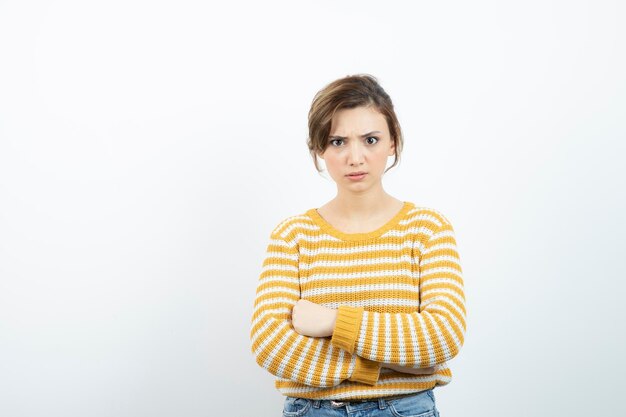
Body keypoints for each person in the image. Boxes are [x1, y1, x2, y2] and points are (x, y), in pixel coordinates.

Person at [250, 74, 466, 417]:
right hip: (313, 410)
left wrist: (332, 323)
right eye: (338, 142)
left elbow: (441, 338)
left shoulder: (427, 229)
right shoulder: (293, 235)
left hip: (406, 409)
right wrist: (381, 367)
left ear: (392, 142)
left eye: (370, 139)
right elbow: (270, 344)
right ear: (319, 148)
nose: (355, 157)